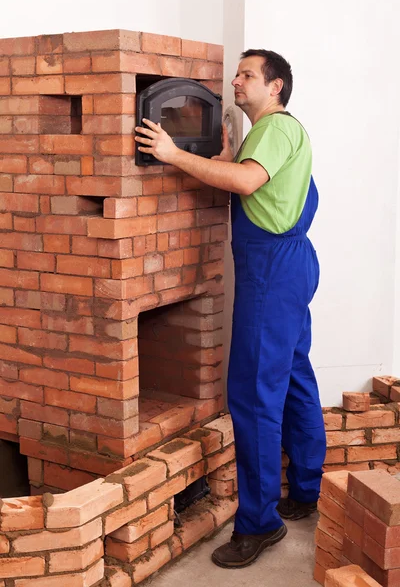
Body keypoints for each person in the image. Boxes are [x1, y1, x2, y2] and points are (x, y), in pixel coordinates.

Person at [135, 49, 327, 569]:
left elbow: (245, 185)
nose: (236, 81)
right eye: (237, 73)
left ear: (277, 87)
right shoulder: (279, 133)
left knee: (253, 394)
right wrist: (223, 161)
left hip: (272, 271)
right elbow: (257, 188)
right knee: (293, 376)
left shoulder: (274, 129)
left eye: (247, 75)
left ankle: (259, 523)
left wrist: (173, 154)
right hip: (292, 263)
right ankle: (307, 490)